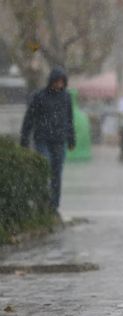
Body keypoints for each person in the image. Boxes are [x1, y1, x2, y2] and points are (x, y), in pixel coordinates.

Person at [20, 66, 76, 212]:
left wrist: (71, 139)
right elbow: (29, 118)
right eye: (57, 81)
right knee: (45, 168)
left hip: (59, 140)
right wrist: (24, 139)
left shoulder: (66, 97)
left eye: (62, 82)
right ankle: (42, 201)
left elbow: (69, 119)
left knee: (57, 173)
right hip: (42, 139)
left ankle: (54, 205)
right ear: (51, 81)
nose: (59, 85)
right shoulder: (39, 96)